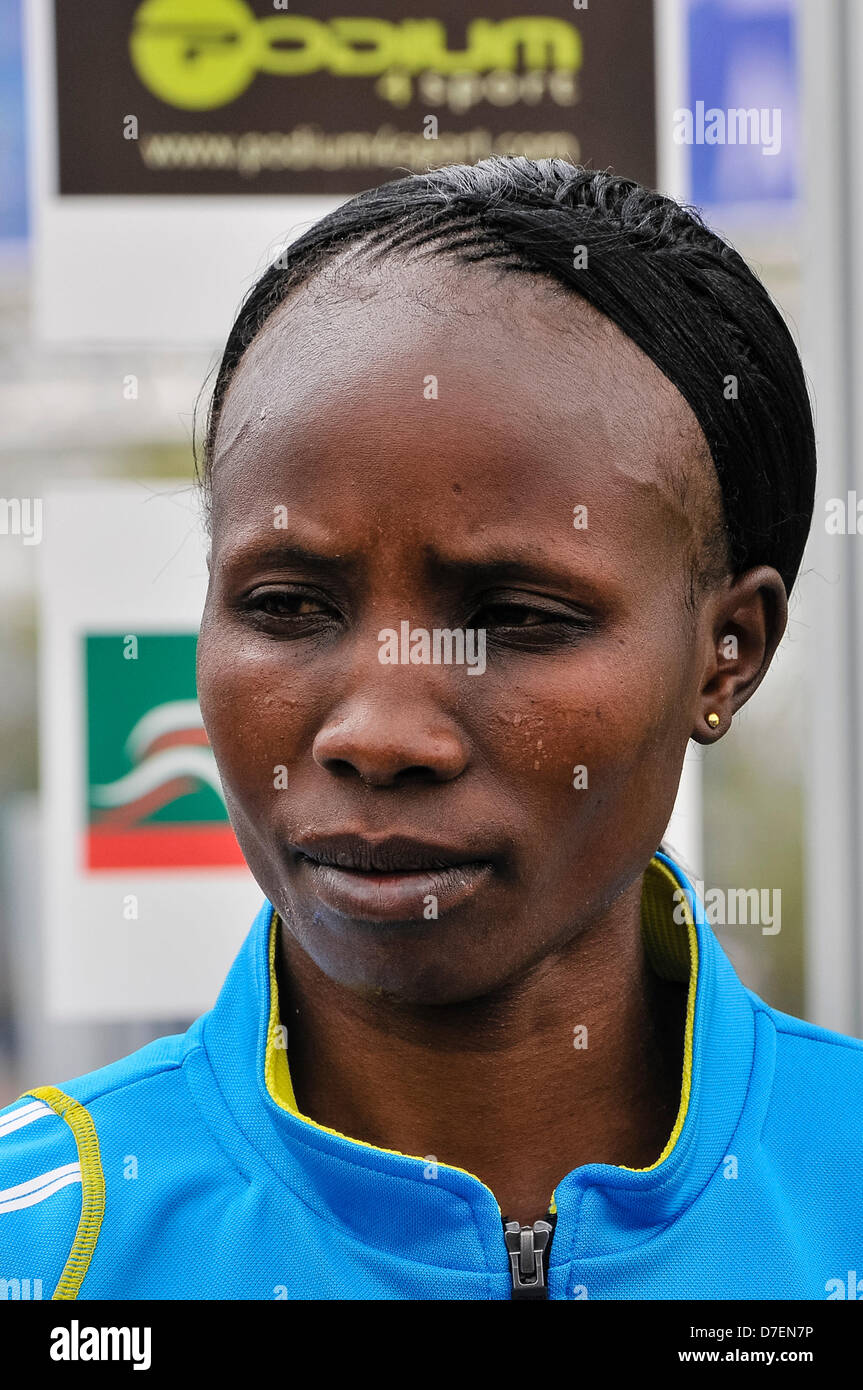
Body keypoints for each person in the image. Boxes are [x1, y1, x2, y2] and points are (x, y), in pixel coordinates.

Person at [2, 157, 861, 1301]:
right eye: (287, 606)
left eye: (514, 618)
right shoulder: (50, 1251)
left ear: (729, 650)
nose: (379, 731)